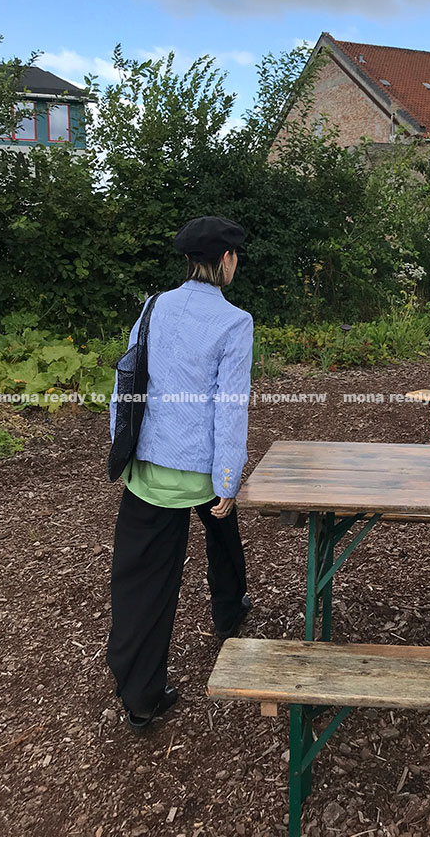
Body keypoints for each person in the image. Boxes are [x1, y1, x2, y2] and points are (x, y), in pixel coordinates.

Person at [106, 215, 254, 732]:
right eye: (236, 256)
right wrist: (228, 479)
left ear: (190, 260)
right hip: (201, 471)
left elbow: (127, 379)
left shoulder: (152, 307)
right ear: (227, 259)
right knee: (222, 525)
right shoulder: (235, 322)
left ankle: (141, 698)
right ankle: (230, 612)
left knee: (142, 580)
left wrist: (120, 446)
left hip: (148, 467)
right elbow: (230, 409)